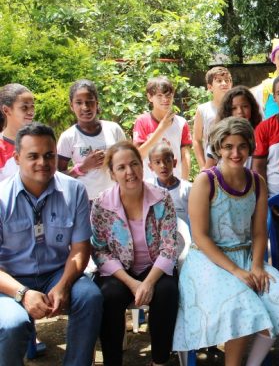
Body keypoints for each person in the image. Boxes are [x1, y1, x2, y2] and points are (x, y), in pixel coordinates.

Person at [173, 117, 279, 365]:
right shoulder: (205, 181)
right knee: (243, 307)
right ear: (219, 148)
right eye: (228, 146)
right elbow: (200, 236)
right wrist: (236, 271)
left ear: (249, 148)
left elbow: (258, 233)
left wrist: (255, 266)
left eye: (242, 146)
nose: (235, 152)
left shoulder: (257, 182)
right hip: (208, 261)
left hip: (246, 256)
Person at [0, 122, 102, 366]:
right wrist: (23, 294)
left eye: (49, 155)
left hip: (57, 273)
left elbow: (80, 248)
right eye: (32, 156)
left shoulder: (74, 190)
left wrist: (64, 285)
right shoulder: (2, 198)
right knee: (12, 324)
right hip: (10, 280)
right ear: (16, 158)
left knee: (90, 297)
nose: (43, 163)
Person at [90, 141, 179, 366]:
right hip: (120, 271)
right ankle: (113, 362)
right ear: (112, 173)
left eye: (134, 164)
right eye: (121, 167)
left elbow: (170, 245)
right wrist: (132, 283)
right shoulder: (102, 204)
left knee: (167, 292)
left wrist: (147, 283)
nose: (129, 172)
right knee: (108, 296)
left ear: (142, 166)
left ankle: (159, 360)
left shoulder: (162, 198)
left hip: (154, 268)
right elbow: (100, 250)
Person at [58, 79, 126, 200]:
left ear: (97, 103)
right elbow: (58, 176)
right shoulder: (68, 137)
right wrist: (83, 167)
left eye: (90, 102)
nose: (85, 107)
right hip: (84, 201)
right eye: (79, 102)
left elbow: (127, 160)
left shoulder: (113, 129)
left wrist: (111, 159)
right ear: (71, 106)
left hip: (115, 199)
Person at [133, 76, 192, 180]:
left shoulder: (181, 123)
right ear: (150, 97)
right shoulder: (142, 121)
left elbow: (185, 156)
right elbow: (138, 155)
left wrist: (184, 183)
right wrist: (161, 129)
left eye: (168, 95)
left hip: (175, 183)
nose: (165, 99)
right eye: (159, 96)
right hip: (150, 184)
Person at [205, 85, 262, 169]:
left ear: (252, 108)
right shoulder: (219, 135)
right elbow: (208, 169)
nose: (240, 112)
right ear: (227, 111)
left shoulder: (261, 133)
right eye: (234, 108)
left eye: (245, 106)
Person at [193, 66, 233, 169]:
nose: (224, 83)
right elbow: (197, 140)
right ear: (210, 87)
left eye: (227, 80)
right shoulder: (202, 109)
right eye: (219, 81)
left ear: (231, 84)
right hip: (212, 166)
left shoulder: (237, 108)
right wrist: (203, 167)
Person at [147, 143, 192, 225]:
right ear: (150, 166)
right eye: (157, 162)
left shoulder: (188, 189)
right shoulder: (148, 187)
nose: (163, 166)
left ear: (174, 163)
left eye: (167, 161)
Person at [0, 84, 34, 182]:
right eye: (24, 107)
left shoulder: (38, 142)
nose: (30, 111)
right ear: (6, 110)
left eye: (32, 106)